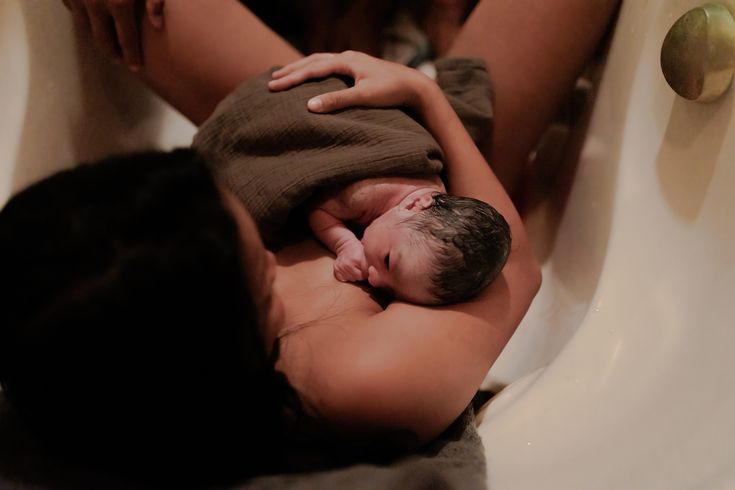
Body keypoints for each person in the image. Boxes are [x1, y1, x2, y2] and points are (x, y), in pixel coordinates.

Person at [2, 0, 620, 485]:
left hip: (321, 138)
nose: (273, 253)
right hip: (425, 164)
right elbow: (511, 260)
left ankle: (350, 23)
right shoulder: (355, 378)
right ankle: (424, 40)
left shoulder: (80, 280)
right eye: (261, 271)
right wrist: (421, 95)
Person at [306, 174, 511, 305]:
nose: (374, 280)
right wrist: (344, 244)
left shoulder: (431, 217)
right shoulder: (365, 193)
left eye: (393, 292)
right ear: (414, 204)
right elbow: (318, 209)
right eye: (387, 260)